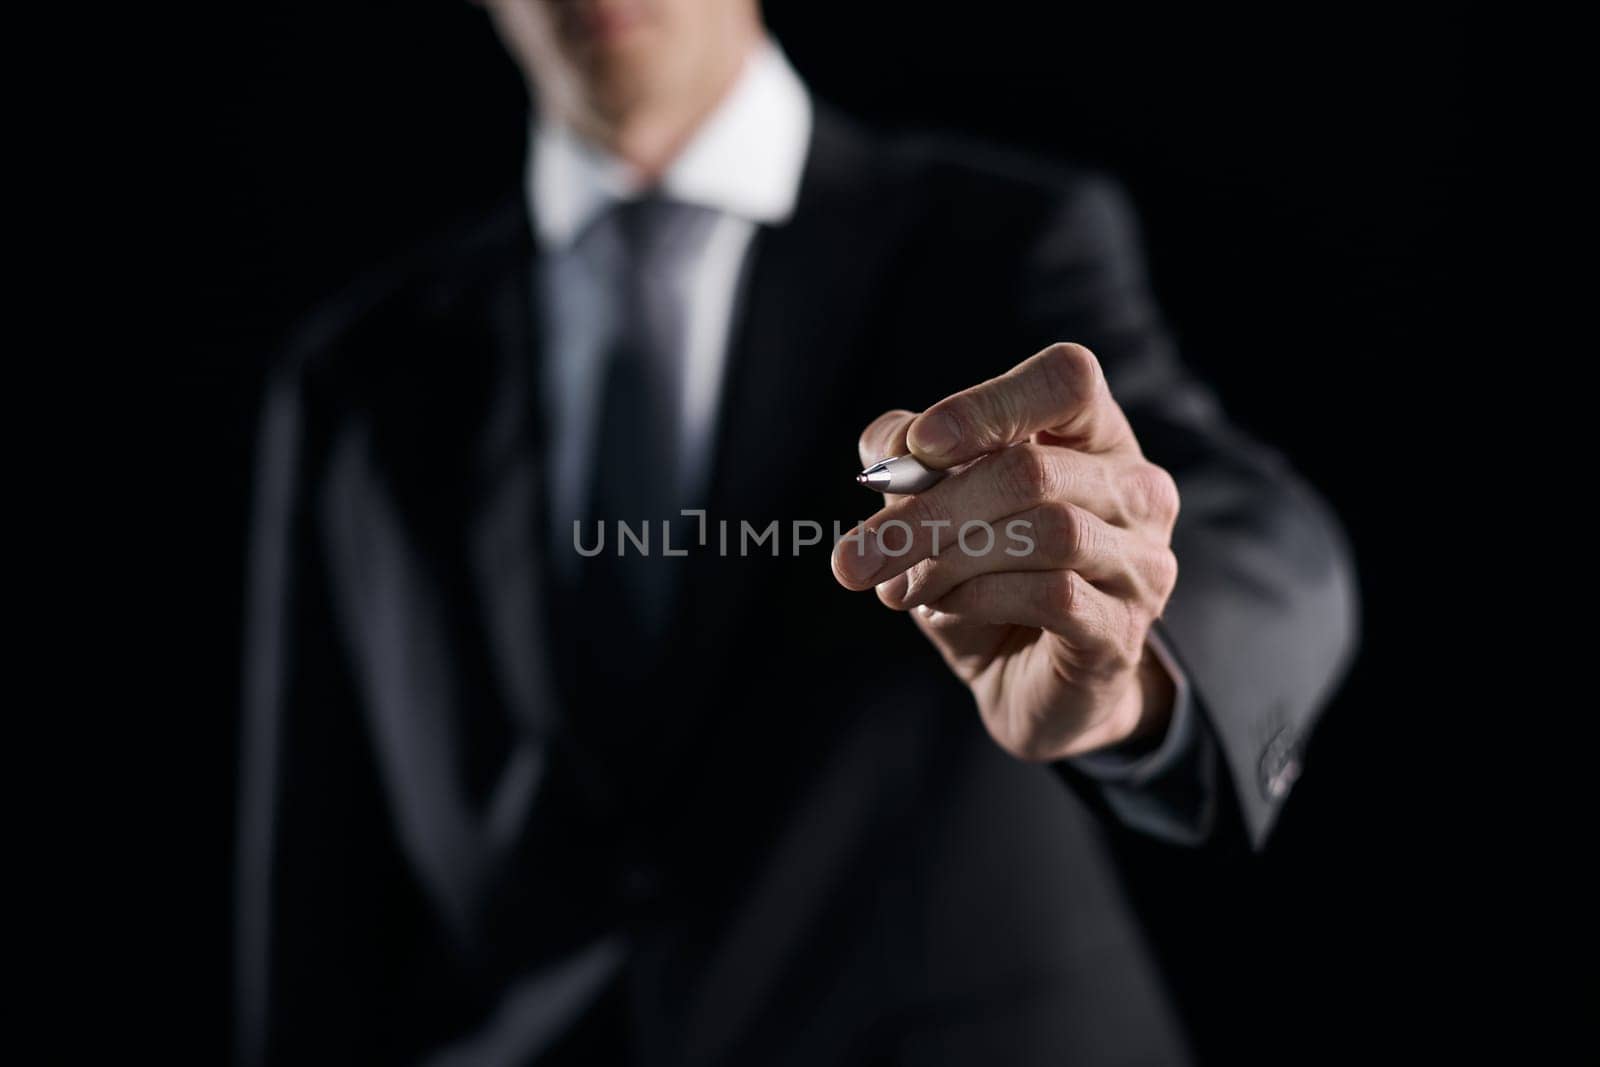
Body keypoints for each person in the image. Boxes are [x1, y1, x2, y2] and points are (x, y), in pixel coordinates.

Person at [236, 0, 1358, 1062]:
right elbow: (314, 913)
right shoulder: (359, 382)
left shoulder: (1002, 241)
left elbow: (1264, 543)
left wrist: (1128, 682)